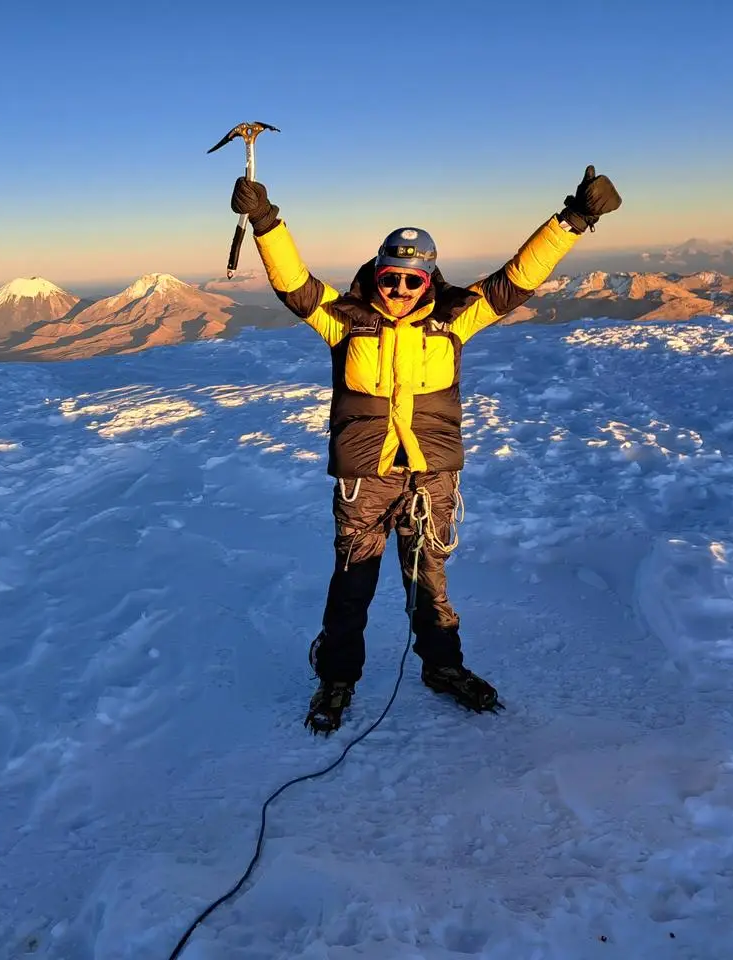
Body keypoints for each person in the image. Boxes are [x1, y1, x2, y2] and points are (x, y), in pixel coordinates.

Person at [230, 165, 622, 735]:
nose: (400, 290)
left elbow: (517, 278)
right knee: (352, 582)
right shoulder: (345, 323)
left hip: (432, 478)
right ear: (376, 274)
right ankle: (337, 678)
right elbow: (295, 286)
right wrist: (265, 220)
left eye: (413, 280)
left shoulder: (454, 319)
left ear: (430, 280)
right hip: (367, 479)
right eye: (392, 277)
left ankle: (443, 668)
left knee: (428, 579)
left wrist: (575, 219)